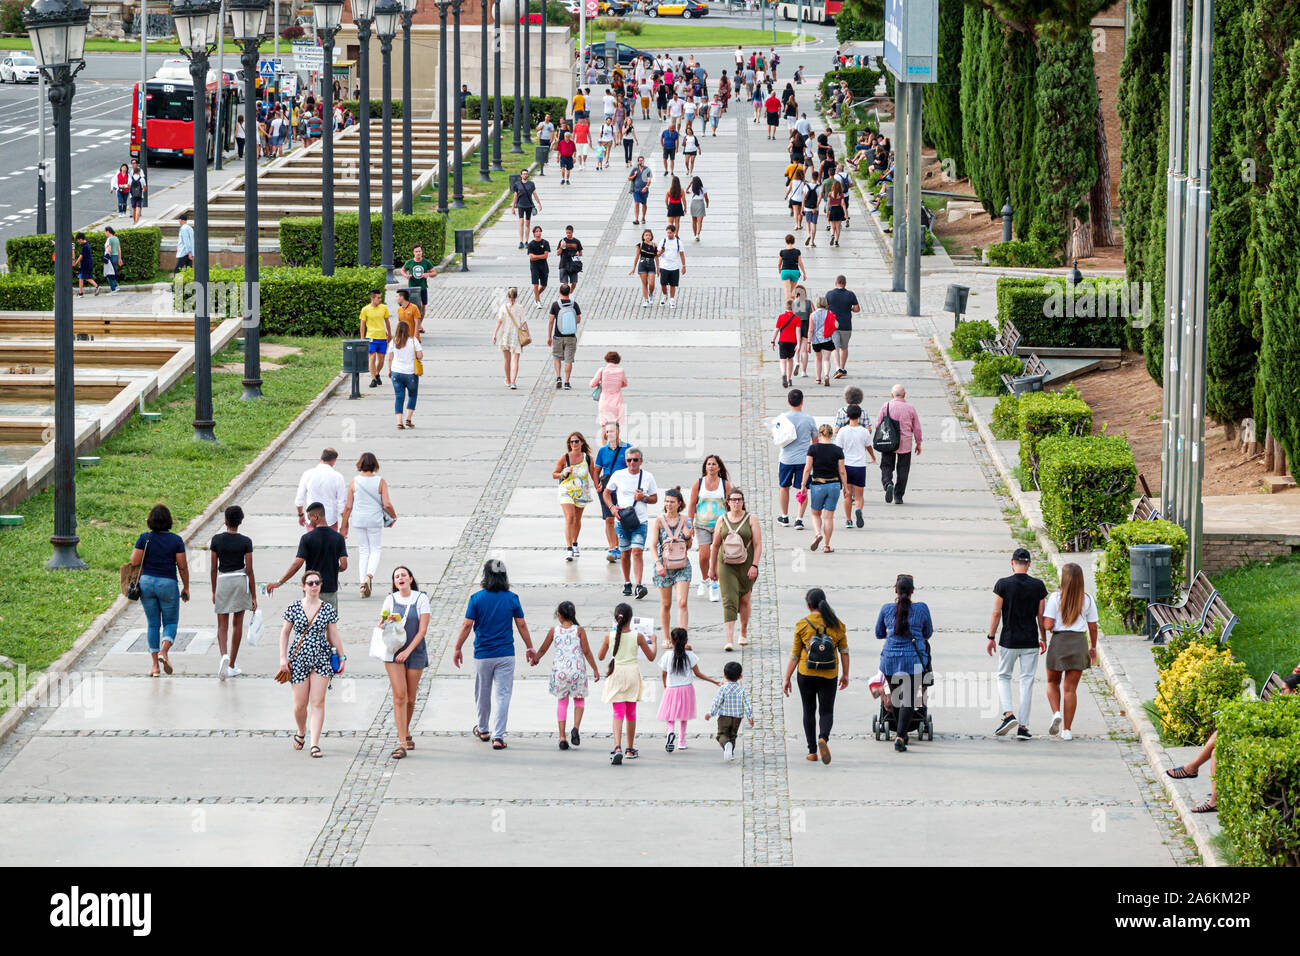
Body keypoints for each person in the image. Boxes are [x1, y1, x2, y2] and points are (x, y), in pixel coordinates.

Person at [452, 560, 537, 750]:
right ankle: (498, 736)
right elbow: (521, 624)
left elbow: (467, 625)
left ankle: (483, 729)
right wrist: (530, 647)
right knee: (503, 695)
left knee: (482, 693)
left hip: (483, 654)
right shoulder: (512, 598)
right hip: (506, 653)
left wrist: (457, 647)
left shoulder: (476, 598)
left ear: (485, 575)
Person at [278, 569, 344, 759]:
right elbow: (284, 633)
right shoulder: (294, 607)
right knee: (299, 705)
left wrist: (341, 656)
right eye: (310, 583)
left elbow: (333, 634)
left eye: (317, 583)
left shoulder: (327, 608)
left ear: (321, 585)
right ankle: (301, 730)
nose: (314, 586)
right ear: (303, 586)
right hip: (298, 658)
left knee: (317, 702)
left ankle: (315, 743)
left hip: (321, 658)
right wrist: (283, 658)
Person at [782, 587, 849, 764]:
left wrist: (787, 677)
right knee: (826, 711)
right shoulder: (837, 624)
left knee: (808, 710)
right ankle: (823, 738)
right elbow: (844, 652)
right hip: (829, 674)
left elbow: (795, 654)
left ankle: (812, 751)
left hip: (806, 672)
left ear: (808, 605)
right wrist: (846, 674)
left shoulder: (802, 624)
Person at [988, 548, 1049, 740]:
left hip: (1009, 640)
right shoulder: (1038, 586)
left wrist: (991, 637)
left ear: (1012, 562)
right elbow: (1041, 616)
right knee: (1027, 681)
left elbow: (997, 613)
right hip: (1030, 640)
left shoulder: (1003, 585)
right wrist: (1043, 638)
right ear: (1029, 564)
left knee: (1004, 676)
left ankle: (1008, 715)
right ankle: (1023, 727)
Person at [127, 504, 190, 677]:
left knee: (153, 624)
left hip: (147, 583)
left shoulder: (144, 538)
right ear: (169, 520)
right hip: (167, 584)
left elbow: (134, 561)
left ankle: (155, 666)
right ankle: (164, 651)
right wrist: (186, 587)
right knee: (170, 623)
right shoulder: (176, 541)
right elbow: (182, 567)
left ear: (150, 520)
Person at [875, 574, 934, 753]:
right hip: (913, 660)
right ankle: (901, 736)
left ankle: (901, 734)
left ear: (895, 590)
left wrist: (893, 633)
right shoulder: (922, 609)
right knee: (908, 698)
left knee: (896, 698)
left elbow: (879, 633)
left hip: (891, 660)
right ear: (913, 591)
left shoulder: (886, 609)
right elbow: (928, 632)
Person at [376, 565, 430, 759]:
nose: (400, 578)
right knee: (399, 696)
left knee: (410, 698)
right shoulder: (390, 600)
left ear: (410, 578)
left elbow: (422, 630)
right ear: (394, 582)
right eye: (397, 576)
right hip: (393, 651)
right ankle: (401, 743)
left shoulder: (421, 598)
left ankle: (405, 732)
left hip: (415, 651)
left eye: (403, 575)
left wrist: (408, 651)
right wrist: (387, 621)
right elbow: (380, 625)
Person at [1042, 562, 1099, 740]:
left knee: (1052, 682)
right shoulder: (1087, 600)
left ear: (1063, 579)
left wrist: (1048, 626)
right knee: (1070, 689)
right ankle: (1067, 730)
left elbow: (1048, 624)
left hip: (1059, 641)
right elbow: (1093, 627)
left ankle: (1056, 712)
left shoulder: (1055, 598)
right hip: (1079, 642)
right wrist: (1093, 647)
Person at [535, 601, 601, 750]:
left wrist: (535, 659)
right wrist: (595, 669)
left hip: (560, 673)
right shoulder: (579, 631)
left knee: (562, 702)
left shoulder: (554, 631)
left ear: (559, 615)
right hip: (577, 672)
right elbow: (587, 651)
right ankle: (576, 728)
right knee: (579, 701)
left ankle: (562, 737)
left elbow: (544, 648)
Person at [599, 603, 655, 765]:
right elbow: (651, 657)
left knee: (618, 712)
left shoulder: (609, 636)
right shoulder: (637, 636)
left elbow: (601, 656)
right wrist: (655, 642)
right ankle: (630, 748)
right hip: (632, 673)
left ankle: (617, 747)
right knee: (631, 712)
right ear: (631, 619)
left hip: (616, 673)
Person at [602, 447, 659, 600]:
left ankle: (639, 584)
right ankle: (627, 582)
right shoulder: (618, 475)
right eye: (629, 460)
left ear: (641, 461)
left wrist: (644, 498)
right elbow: (606, 493)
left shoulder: (647, 477)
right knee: (625, 552)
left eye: (635, 460)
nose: (632, 463)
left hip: (640, 521)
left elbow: (655, 498)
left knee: (637, 551)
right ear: (625, 461)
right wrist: (612, 508)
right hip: (622, 520)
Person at [339, 452, 396, 600]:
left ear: (360, 464)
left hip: (358, 520)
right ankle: (369, 576)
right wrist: (394, 516)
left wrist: (343, 526)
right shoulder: (380, 481)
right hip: (374, 520)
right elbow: (387, 504)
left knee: (363, 550)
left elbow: (348, 507)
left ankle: (362, 584)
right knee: (375, 549)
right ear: (375, 465)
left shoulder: (354, 482)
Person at [711, 487, 761, 651]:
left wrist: (755, 565)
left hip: (746, 564)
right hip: (726, 564)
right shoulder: (722, 519)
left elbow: (758, 544)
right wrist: (712, 568)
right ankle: (729, 639)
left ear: (743, 501)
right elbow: (715, 545)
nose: (736, 502)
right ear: (728, 502)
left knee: (744, 600)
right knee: (729, 600)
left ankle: (743, 632)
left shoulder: (751, 519)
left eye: (739, 499)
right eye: (733, 500)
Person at [209, 504, 256, 681]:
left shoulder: (216, 540)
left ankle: (224, 655)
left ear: (226, 521)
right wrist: (254, 595)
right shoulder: (246, 542)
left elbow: (214, 568)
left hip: (223, 581)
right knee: (237, 624)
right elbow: (249, 570)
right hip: (239, 581)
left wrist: (214, 590)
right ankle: (232, 665)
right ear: (240, 522)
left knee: (222, 625)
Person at [658, 627, 719, 753]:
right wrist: (714, 681)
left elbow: (663, 674)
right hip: (686, 689)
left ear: (671, 641)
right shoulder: (690, 655)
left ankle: (670, 732)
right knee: (683, 716)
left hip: (671, 688)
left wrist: (665, 686)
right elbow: (698, 674)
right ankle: (681, 741)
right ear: (686, 640)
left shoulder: (667, 655)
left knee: (670, 715)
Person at [649, 487, 694, 651]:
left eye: (672, 502)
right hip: (664, 565)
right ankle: (667, 637)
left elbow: (688, 545)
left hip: (682, 565)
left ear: (679, 504)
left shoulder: (685, 520)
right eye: (667, 501)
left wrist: (688, 536)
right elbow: (653, 546)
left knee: (682, 602)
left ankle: (682, 638)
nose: (669, 504)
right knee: (666, 604)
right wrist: (658, 563)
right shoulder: (659, 521)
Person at [687, 455, 730, 605]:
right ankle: (704, 579)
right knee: (704, 556)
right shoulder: (698, 483)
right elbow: (692, 504)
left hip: (720, 525)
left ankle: (714, 584)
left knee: (716, 556)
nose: (711, 466)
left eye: (714, 464)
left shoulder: (725, 484)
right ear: (705, 467)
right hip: (702, 524)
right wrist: (689, 523)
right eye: (708, 464)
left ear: (719, 467)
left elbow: (730, 504)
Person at [801, 424, 848, 553]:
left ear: (820, 435)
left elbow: (808, 468)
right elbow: (842, 471)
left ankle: (817, 534)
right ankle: (827, 545)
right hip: (834, 485)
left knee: (816, 514)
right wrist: (845, 487)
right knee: (829, 517)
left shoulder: (813, 449)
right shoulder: (838, 450)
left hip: (818, 485)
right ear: (831, 435)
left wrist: (803, 484)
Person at [776, 388, 817, 529]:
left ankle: (784, 516)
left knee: (784, 487)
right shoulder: (809, 419)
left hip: (786, 458)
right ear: (802, 401)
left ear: (788, 401)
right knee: (803, 488)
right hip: (803, 460)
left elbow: (774, 435)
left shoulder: (783, 418)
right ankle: (799, 519)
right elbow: (815, 441)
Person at [877, 383, 923, 504]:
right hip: (905, 443)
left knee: (886, 465)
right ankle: (898, 496)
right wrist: (918, 443)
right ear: (905, 395)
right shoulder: (910, 408)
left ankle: (888, 484)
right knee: (903, 469)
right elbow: (917, 427)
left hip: (888, 442)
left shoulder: (885, 406)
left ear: (892, 395)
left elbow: (878, 425)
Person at [554, 431, 596, 561]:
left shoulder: (587, 458)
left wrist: (598, 485)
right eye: (571, 442)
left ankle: (575, 543)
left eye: (576, 441)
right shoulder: (564, 458)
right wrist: (563, 472)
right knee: (570, 517)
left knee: (577, 519)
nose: (574, 444)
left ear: (581, 442)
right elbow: (554, 474)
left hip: (581, 491)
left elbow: (593, 473)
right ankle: (569, 549)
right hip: (566, 490)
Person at [835, 404, 877, 529]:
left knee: (847, 495)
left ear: (847, 415)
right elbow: (869, 446)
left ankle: (848, 520)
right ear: (860, 416)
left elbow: (838, 449)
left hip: (846, 466)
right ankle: (858, 509)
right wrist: (872, 456)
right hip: (860, 466)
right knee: (859, 496)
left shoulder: (842, 431)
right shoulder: (864, 432)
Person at [594, 422, 631, 564]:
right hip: (606, 487)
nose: (610, 434)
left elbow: (634, 467)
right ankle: (612, 547)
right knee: (609, 518)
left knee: (621, 517)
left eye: (612, 431)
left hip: (622, 488)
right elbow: (596, 469)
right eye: (608, 432)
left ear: (619, 432)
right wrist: (597, 484)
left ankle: (622, 545)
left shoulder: (627, 448)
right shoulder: (603, 451)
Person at [294, 449, 347, 530]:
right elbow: (341, 503)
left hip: (312, 519)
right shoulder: (338, 477)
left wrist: (301, 515)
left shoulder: (307, 474)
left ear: (321, 458)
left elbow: (299, 499)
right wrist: (345, 525)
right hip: (330, 519)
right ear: (333, 460)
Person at [385, 319, 422, 430]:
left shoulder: (393, 342)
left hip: (396, 372)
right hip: (410, 373)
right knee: (412, 395)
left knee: (399, 397)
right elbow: (420, 355)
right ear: (408, 330)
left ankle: (399, 422)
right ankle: (408, 419)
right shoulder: (413, 341)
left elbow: (390, 358)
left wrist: (390, 370)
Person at [825, 275, 860, 380]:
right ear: (845, 284)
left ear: (836, 283)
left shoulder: (829, 294)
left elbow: (825, 307)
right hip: (846, 325)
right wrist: (851, 309)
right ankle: (842, 368)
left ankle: (838, 368)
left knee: (834, 347)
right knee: (844, 348)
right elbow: (857, 308)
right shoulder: (850, 294)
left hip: (833, 325)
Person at [547, 281, 581, 389]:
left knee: (557, 357)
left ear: (559, 292)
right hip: (571, 336)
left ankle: (558, 377)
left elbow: (551, 321)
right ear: (569, 292)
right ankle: (567, 382)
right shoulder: (574, 304)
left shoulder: (555, 305)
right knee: (568, 360)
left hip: (558, 335)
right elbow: (578, 319)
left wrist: (549, 336)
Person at [492, 287, 527, 389]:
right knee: (515, 359)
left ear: (508, 296)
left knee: (506, 360)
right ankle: (513, 382)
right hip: (516, 336)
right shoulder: (520, 308)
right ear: (516, 296)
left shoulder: (503, 308)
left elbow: (499, 321)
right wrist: (527, 334)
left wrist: (494, 334)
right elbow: (524, 322)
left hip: (505, 336)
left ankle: (507, 379)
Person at [358, 288, 391, 389]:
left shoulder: (384, 308)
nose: (380, 299)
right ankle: (373, 379)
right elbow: (362, 325)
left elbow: (387, 322)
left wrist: (389, 334)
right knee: (372, 358)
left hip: (382, 338)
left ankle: (377, 373)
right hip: (371, 338)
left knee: (381, 360)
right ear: (372, 298)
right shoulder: (365, 309)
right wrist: (362, 338)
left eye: (380, 297)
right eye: (378, 298)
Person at [590, 350, 628, 436]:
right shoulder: (621, 371)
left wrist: (601, 383)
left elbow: (592, 384)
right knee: (616, 425)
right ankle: (616, 445)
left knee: (604, 424)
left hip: (604, 401)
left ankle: (604, 447)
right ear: (617, 360)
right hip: (617, 401)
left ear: (606, 359)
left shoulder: (602, 370)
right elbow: (625, 383)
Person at [398, 244, 436, 321]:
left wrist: (428, 274)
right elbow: (402, 270)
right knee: (413, 306)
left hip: (423, 287)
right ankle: (413, 323)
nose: (418, 253)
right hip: (412, 288)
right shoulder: (410, 262)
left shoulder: (426, 262)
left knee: (423, 306)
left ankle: (419, 325)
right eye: (416, 251)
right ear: (413, 253)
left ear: (422, 252)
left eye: (419, 251)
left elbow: (434, 273)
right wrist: (406, 275)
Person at [771, 299, 800, 389]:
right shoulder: (797, 318)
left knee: (782, 359)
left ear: (785, 307)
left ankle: (783, 373)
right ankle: (788, 378)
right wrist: (798, 343)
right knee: (790, 360)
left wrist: (773, 341)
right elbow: (798, 331)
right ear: (794, 308)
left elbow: (776, 330)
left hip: (782, 341)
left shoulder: (781, 317)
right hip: (792, 342)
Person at [808, 295, 836, 386]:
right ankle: (826, 375)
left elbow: (811, 330)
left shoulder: (812, 315)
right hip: (827, 338)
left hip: (816, 340)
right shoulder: (830, 313)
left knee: (818, 359)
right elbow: (835, 325)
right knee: (826, 359)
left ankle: (818, 379)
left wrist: (808, 342)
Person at [510, 167, 540, 249]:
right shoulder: (517, 184)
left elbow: (534, 194)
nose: (525, 175)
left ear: (528, 175)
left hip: (529, 206)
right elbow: (515, 196)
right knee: (521, 222)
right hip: (520, 205)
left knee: (527, 223)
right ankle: (521, 241)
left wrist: (539, 203)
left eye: (526, 174)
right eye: (523, 174)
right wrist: (513, 207)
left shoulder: (531, 184)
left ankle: (526, 241)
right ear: (521, 175)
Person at [657, 224, 686, 308]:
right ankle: (665, 295)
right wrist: (661, 252)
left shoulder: (678, 242)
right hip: (664, 265)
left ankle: (672, 299)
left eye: (670, 233)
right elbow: (657, 254)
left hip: (674, 266)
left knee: (673, 284)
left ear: (674, 232)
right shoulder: (663, 241)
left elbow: (681, 254)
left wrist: (684, 266)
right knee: (663, 283)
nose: (669, 234)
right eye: (667, 233)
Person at [630, 227, 659, 307]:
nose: (648, 237)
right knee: (644, 283)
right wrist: (633, 268)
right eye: (646, 235)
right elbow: (636, 257)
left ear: (651, 236)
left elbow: (656, 257)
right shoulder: (640, 245)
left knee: (652, 283)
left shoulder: (654, 245)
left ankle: (651, 294)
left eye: (649, 235)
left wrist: (658, 268)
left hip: (651, 264)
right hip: (642, 264)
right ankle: (646, 300)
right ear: (643, 236)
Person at [526, 225, 551, 310]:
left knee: (544, 285)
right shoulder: (531, 244)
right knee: (535, 284)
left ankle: (536, 295)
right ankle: (538, 301)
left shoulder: (545, 243)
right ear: (533, 233)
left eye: (539, 231)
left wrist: (536, 256)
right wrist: (540, 256)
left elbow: (545, 256)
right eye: (536, 231)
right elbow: (531, 257)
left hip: (543, 266)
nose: (538, 232)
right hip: (534, 267)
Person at [777, 233, 806, 303]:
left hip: (785, 271)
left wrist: (779, 270)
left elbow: (779, 263)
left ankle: (788, 309)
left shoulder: (782, 252)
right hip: (795, 271)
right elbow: (800, 263)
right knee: (792, 290)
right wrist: (804, 273)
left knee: (787, 291)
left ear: (786, 241)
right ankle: (793, 307)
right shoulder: (797, 252)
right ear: (793, 241)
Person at [557, 225, 584, 292]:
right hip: (564, 263)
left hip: (573, 264)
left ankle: (570, 293)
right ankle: (566, 294)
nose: (568, 234)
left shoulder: (576, 241)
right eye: (567, 233)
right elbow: (558, 253)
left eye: (569, 233)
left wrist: (577, 254)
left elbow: (581, 253)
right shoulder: (562, 241)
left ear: (572, 232)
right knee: (565, 284)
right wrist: (561, 247)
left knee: (574, 282)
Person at [71, 232, 99, 297]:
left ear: (80, 239)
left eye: (78, 240)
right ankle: (96, 287)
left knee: (82, 277)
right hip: (88, 264)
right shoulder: (87, 244)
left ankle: (81, 293)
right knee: (85, 277)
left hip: (85, 264)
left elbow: (81, 256)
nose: (78, 242)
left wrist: (75, 263)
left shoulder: (85, 247)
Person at [628, 155, 653, 225]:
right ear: (638, 161)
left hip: (644, 190)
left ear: (644, 161)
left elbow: (649, 180)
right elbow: (629, 178)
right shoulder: (635, 169)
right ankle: (636, 219)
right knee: (636, 203)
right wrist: (634, 175)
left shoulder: (647, 169)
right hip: (636, 190)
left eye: (642, 160)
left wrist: (646, 187)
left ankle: (643, 217)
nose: (641, 162)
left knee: (644, 204)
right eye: (640, 160)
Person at [685, 176, 709, 242]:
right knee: (699, 221)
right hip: (700, 204)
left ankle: (695, 234)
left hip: (693, 204)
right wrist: (707, 204)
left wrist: (690, 184)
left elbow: (686, 191)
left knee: (694, 221)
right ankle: (697, 234)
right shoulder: (703, 189)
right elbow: (706, 198)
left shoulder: (692, 189)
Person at [825, 178, 847, 247]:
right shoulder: (841, 194)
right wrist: (846, 213)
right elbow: (843, 204)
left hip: (833, 210)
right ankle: (836, 241)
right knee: (838, 227)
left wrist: (827, 211)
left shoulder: (830, 194)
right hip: (839, 210)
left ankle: (832, 235)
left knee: (832, 226)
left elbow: (828, 203)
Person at [802, 170, 822, 248]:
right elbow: (820, 198)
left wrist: (802, 209)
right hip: (815, 209)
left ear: (811, 177)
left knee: (807, 223)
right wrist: (816, 207)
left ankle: (808, 235)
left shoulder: (806, 186)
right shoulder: (819, 187)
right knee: (814, 224)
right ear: (817, 178)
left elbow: (803, 198)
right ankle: (812, 242)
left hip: (807, 208)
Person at [102, 227, 122, 295]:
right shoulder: (116, 238)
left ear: (108, 231)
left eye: (105, 232)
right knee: (112, 272)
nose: (105, 233)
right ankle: (115, 286)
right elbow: (119, 249)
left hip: (110, 257)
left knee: (109, 273)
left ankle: (113, 289)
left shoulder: (109, 239)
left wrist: (106, 257)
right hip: (116, 257)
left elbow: (109, 249)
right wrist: (120, 259)